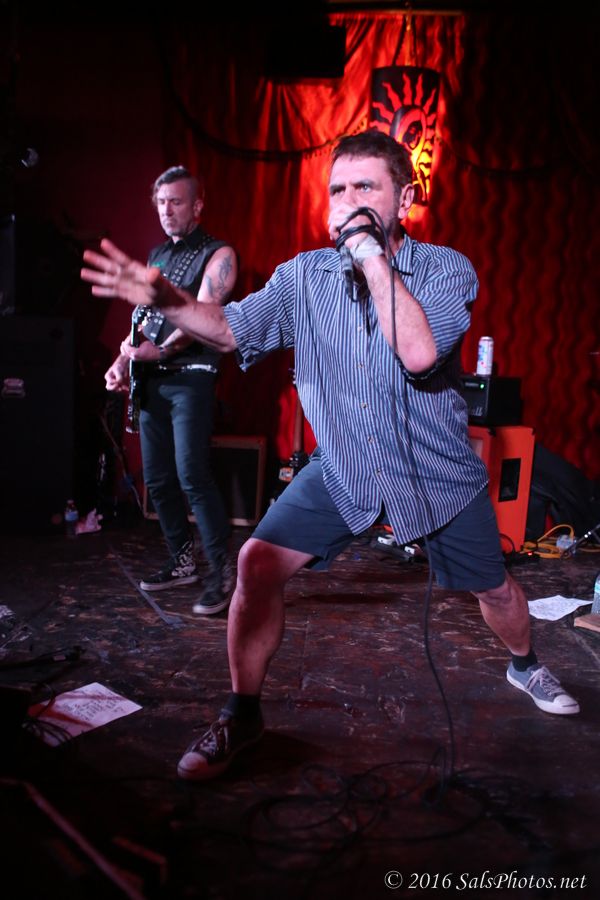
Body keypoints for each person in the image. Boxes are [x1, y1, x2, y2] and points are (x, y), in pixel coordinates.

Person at [83, 131, 580, 781]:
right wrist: (169, 300)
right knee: (256, 563)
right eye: (337, 189)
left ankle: (525, 665)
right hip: (345, 465)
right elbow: (230, 329)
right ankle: (242, 713)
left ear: (404, 199)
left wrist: (370, 254)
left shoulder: (446, 269)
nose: (346, 201)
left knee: (492, 586)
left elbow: (419, 355)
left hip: (435, 470)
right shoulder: (302, 277)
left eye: (364, 187)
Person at [103, 166, 237, 614]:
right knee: (158, 480)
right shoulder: (157, 254)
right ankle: (183, 561)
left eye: (175, 201)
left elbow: (205, 318)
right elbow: (143, 319)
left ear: (197, 205)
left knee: (191, 474)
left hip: (190, 376)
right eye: (160, 202)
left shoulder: (219, 254)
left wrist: (158, 352)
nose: (166, 210)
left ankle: (222, 571)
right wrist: (122, 361)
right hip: (151, 379)